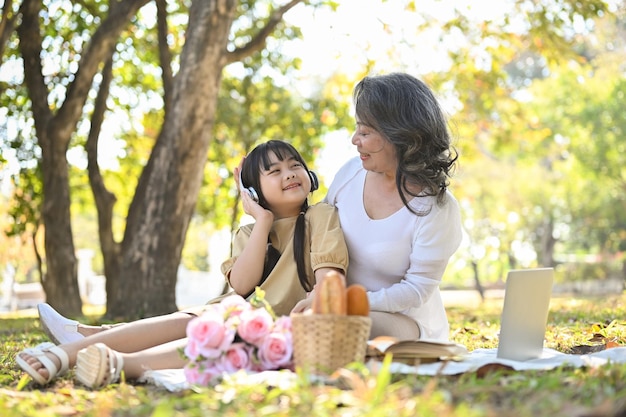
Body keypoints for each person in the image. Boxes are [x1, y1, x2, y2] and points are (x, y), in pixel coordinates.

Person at [16, 140, 349, 388]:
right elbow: (243, 286)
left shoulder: (321, 215)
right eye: (274, 171)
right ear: (252, 190)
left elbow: (329, 279)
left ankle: (110, 359)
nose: (289, 174)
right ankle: (66, 354)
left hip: (279, 327)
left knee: (222, 331)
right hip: (238, 312)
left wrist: (318, 300)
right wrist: (261, 219)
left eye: (294, 165)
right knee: (198, 318)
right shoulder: (250, 231)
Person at [294, 72, 462, 341]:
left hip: (403, 320)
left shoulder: (437, 209)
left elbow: (417, 291)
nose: (354, 140)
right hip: (332, 308)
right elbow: (319, 233)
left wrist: (346, 303)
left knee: (336, 326)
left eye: (365, 132)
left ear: (401, 136)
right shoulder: (350, 174)